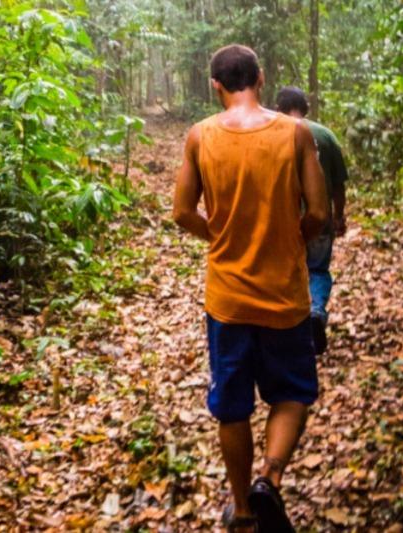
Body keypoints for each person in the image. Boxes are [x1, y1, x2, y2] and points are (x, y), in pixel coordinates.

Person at [172, 44, 328, 532]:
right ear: (261, 78)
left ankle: (242, 510)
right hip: (285, 293)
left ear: (214, 85)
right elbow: (319, 214)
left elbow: (181, 212)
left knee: (232, 407)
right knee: (291, 394)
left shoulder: (200, 137)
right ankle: (270, 479)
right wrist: (289, 243)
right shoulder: (296, 133)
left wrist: (218, 235)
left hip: (228, 299)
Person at [276, 86, 348, 354]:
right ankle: (315, 311)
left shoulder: (272, 136)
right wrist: (338, 216)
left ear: (278, 109)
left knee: (286, 273)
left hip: (284, 222)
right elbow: (339, 185)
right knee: (316, 270)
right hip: (319, 221)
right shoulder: (326, 136)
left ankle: (288, 327)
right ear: (305, 108)